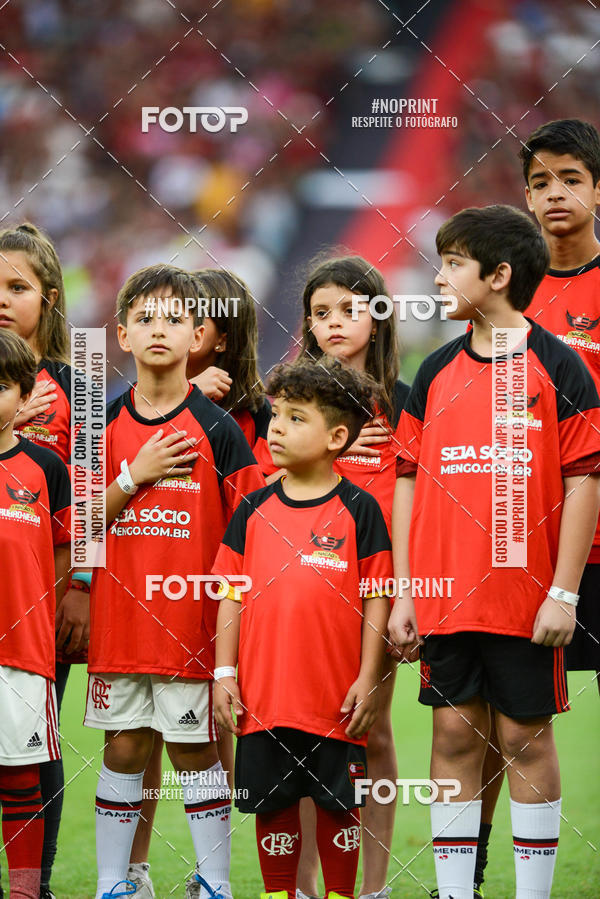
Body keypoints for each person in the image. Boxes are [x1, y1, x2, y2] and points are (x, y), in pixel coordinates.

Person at [389, 204, 600, 899]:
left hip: (525, 599)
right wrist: (406, 591)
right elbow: (408, 484)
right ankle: (456, 892)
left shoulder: (559, 366)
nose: (439, 275)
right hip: (447, 600)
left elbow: (582, 482)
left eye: (453, 262)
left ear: (500, 274)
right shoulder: (436, 369)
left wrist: (563, 592)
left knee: (524, 739)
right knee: (451, 735)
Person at [84, 263, 264, 899]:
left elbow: (250, 538)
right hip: (119, 625)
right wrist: (134, 476)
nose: (159, 328)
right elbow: (78, 530)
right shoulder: (98, 426)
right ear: (122, 335)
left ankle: (214, 882)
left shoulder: (218, 428)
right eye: (145, 317)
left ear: (197, 337)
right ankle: (116, 883)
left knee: (195, 756)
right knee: (125, 750)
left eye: (175, 318)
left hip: (192, 630)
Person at [213, 356, 393, 899]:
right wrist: (225, 672)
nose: (277, 428)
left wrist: (369, 677)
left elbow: (379, 596)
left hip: (335, 699)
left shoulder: (361, 510)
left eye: (296, 418)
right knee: (272, 808)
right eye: (275, 415)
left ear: (338, 436)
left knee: (341, 808)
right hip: (264, 699)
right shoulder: (252, 508)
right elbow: (229, 592)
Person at [295, 256, 408, 899]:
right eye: (320, 313)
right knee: (308, 732)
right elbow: (265, 484)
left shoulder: (405, 401)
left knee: (372, 727)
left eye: (349, 308)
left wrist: (406, 594)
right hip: (305, 584)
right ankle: (306, 887)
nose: (334, 322)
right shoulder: (290, 399)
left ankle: (373, 886)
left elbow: (422, 503)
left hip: (377, 590)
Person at [0, 222, 87, 899]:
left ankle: (37, 882)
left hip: (40, 605)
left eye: (17, 286)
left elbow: (88, 493)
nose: (3, 299)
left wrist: (80, 588)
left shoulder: (76, 388)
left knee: (36, 746)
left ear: (49, 299)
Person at [0, 329, 71, 899]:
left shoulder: (46, 468)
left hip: (24, 650)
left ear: (25, 398)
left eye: (1, 387)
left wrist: (40, 610)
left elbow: (69, 547)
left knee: (22, 776)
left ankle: (26, 891)